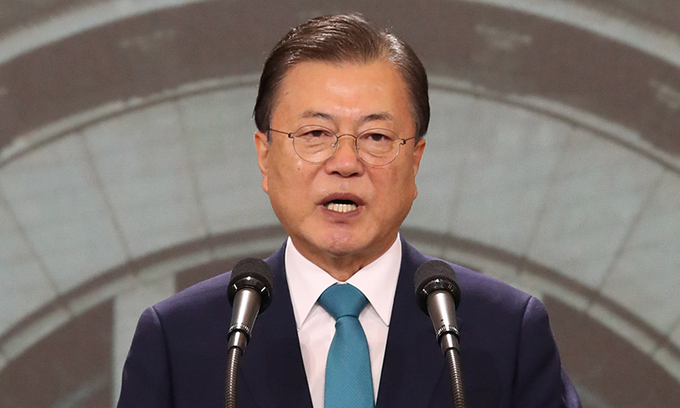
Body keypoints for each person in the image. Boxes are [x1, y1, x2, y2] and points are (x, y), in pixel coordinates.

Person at [117, 13, 581, 408]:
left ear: (415, 161)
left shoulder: (505, 332)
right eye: (315, 134)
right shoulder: (179, 340)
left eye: (376, 137)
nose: (345, 163)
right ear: (265, 156)